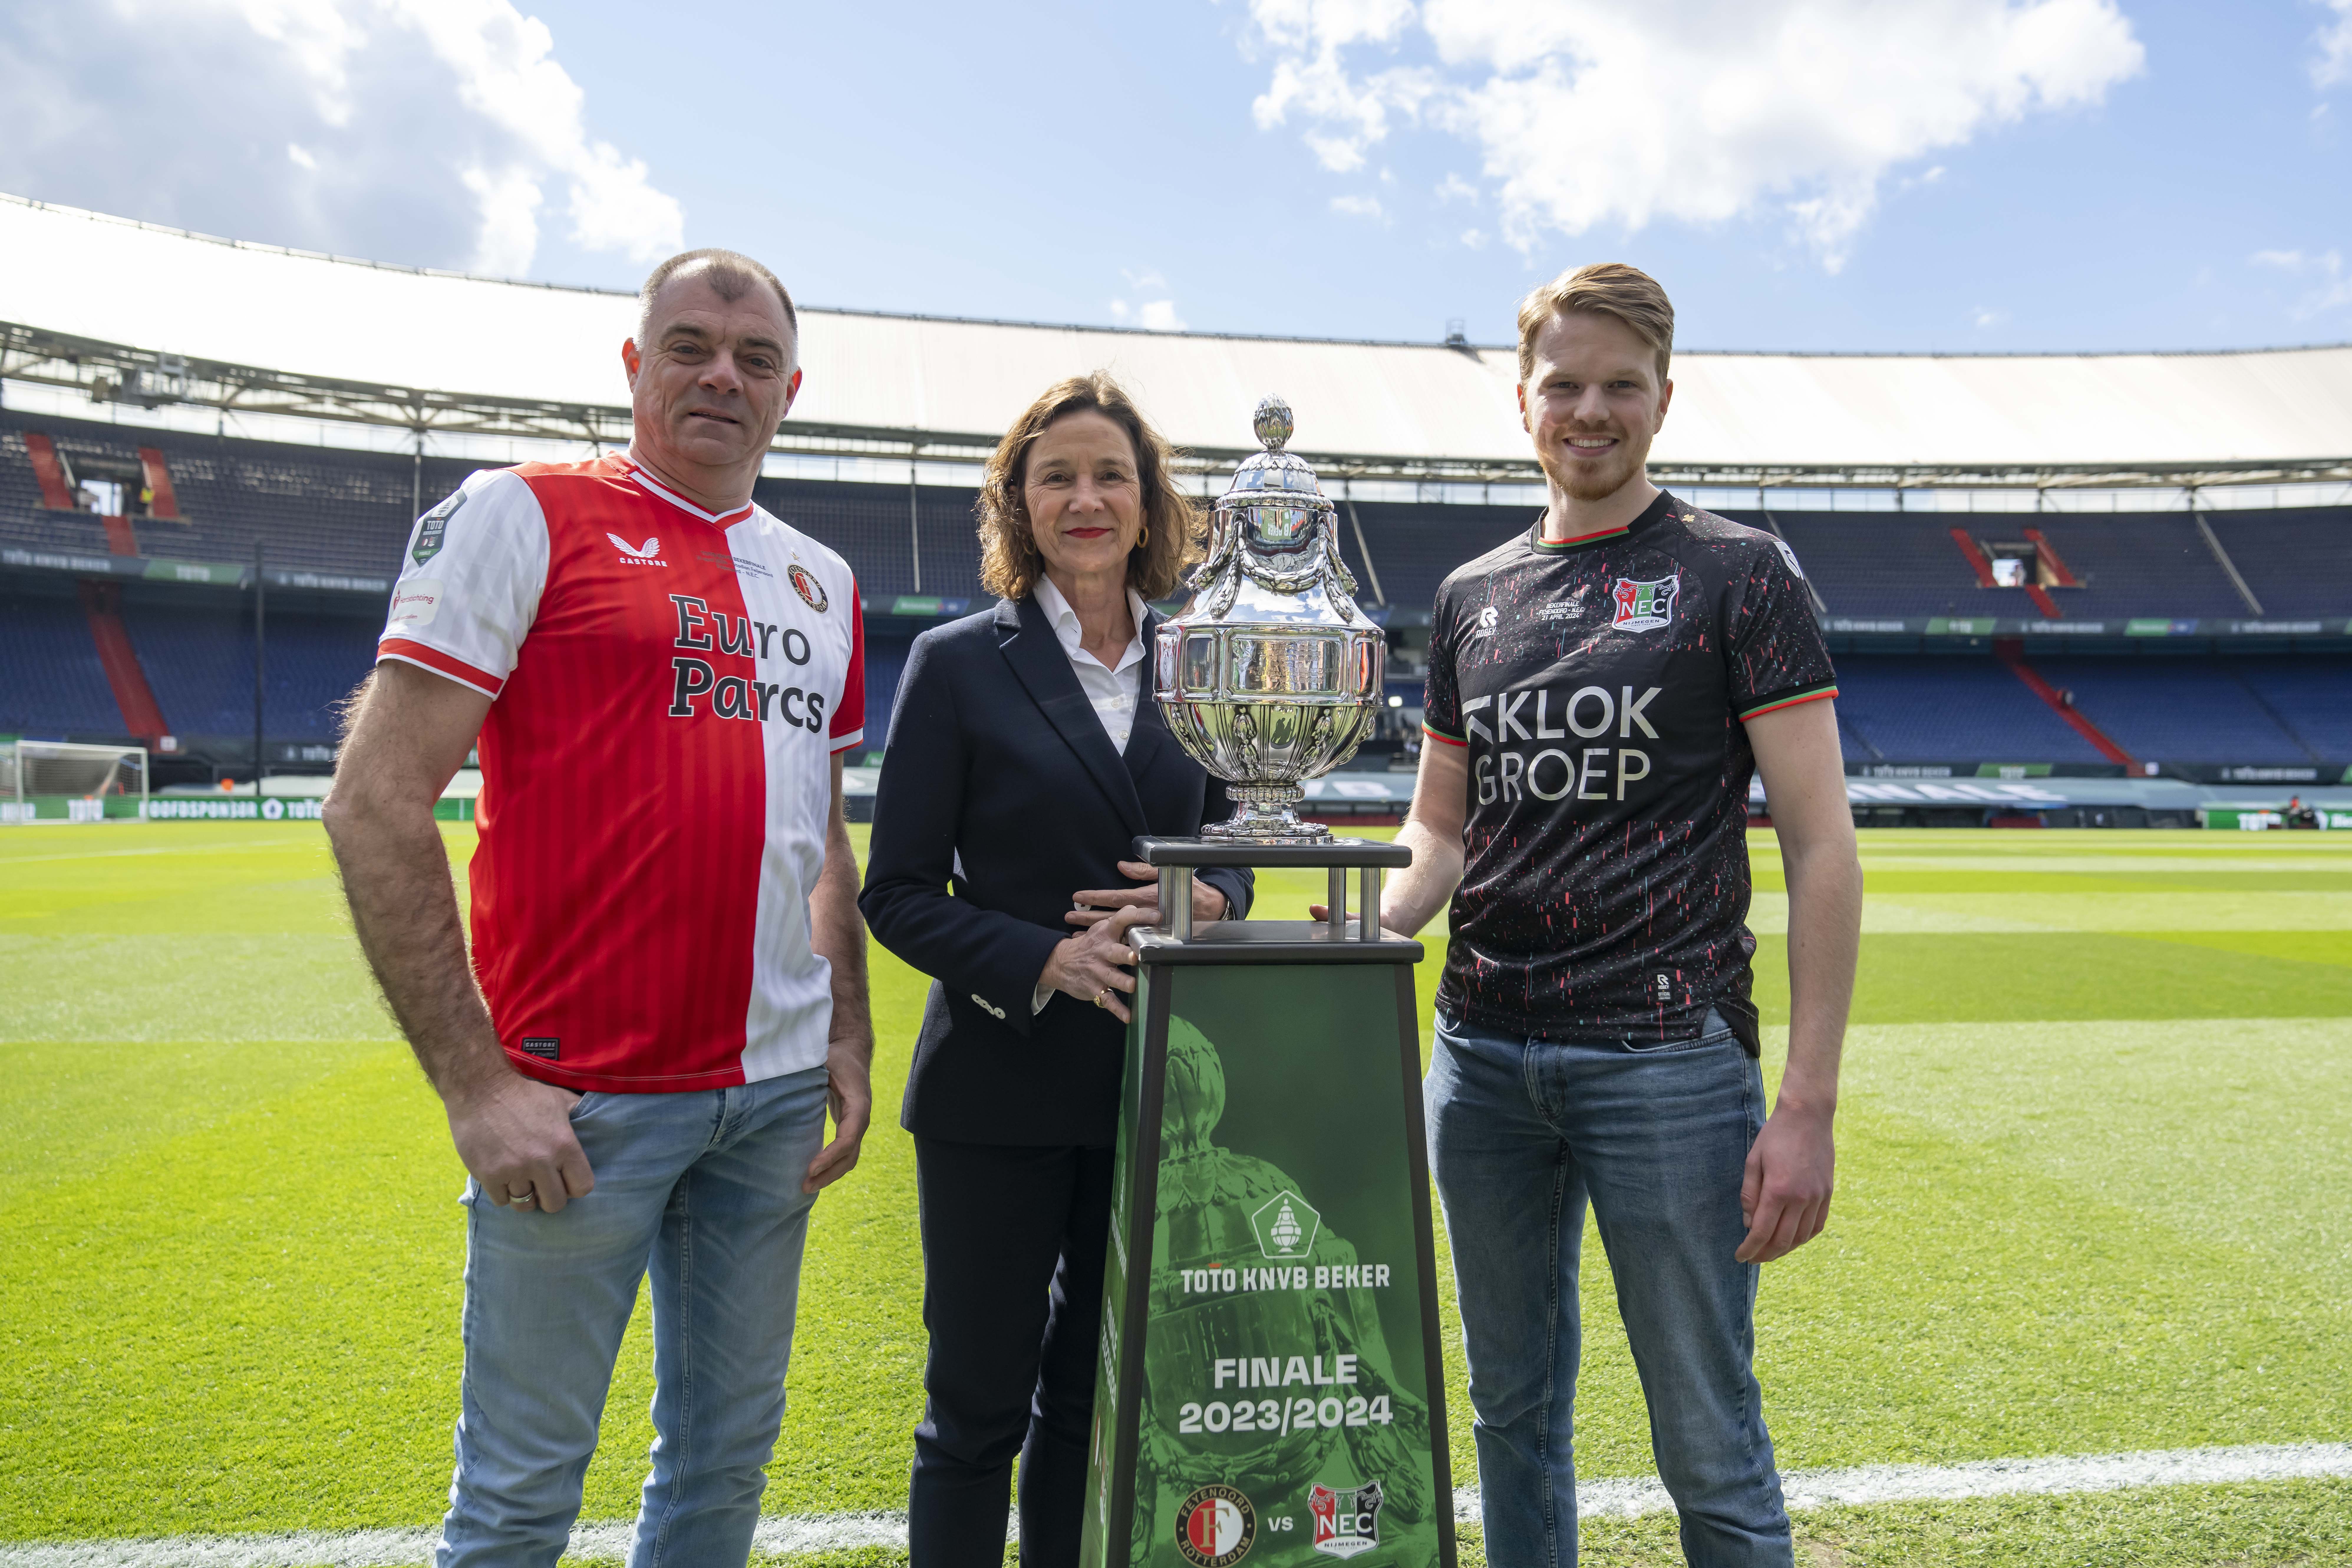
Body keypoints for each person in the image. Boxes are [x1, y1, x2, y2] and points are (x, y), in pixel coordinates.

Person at [326, 248, 874, 1568]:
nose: (722, 376)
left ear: (789, 391)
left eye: (754, 359)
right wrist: (477, 1086)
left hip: (771, 1103)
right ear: (636, 365)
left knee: (723, 1466)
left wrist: (847, 1033)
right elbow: (373, 802)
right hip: (578, 1108)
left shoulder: (825, 581)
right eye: (690, 347)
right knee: (519, 1498)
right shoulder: (523, 513)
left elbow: (820, 843)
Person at [1342, 263, 1863, 1567]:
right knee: (1511, 1415)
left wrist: (1805, 1103)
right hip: (1480, 1058)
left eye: (1620, 386)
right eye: (1564, 385)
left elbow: (1820, 843)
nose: (1591, 411)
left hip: (1667, 1057)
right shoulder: (1471, 594)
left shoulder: (1737, 572)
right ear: (1523, 401)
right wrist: (1365, 928)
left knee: (1707, 1438)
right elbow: (1442, 828)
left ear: (1663, 399)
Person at [860, 372, 1255, 1568]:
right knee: (975, 1408)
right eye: (1058, 476)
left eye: (1111, 475)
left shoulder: (1200, 662)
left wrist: (1212, 895)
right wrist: (1045, 956)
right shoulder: (955, 662)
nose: (1087, 498)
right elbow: (896, 890)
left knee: (1092, 1399)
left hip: (1154, 1092)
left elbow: (1237, 845)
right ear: (1018, 504)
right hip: (997, 1085)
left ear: (1147, 504)